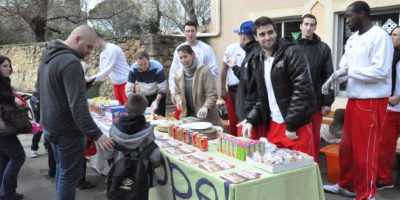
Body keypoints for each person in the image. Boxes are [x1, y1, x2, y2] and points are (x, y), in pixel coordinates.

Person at [322, 2, 394, 200]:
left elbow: (381, 71)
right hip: (353, 100)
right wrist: (335, 78)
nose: (346, 20)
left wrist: (348, 72)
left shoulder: (380, 36)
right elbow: (344, 66)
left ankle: (367, 192)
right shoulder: (352, 39)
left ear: (362, 14)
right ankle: (347, 184)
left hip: (372, 101)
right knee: (347, 148)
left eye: (349, 16)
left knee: (366, 149)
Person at [38, 25, 114, 200]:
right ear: (78, 39)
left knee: (61, 171)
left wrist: (80, 85)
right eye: (88, 47)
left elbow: (46, 89)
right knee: (69, 176)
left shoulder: (48, 56)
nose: (89, 52)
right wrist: (97, 134)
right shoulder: (71, 62)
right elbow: (78, 106)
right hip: (67, 130)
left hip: (51, 125)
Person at [240, 16, 316, 158]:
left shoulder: (292, 52)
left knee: (301, 174)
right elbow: (262, 96)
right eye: (262, 34)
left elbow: (303, 90)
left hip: (296, 126)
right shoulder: (259, 60)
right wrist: (251, 119)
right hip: (274, 125)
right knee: (278, 173)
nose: (267, 37)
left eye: (270, 32)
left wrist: (291, 125)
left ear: (276, 32)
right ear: (255, 37)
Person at [105, 94, 161, 200]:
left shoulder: (114, 129)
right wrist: (155, 164)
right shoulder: (148, 132)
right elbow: (155, 158)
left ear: (125, 108)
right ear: (144, 112)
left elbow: (108, 154)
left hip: (118, 173)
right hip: (141, 177)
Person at [296, 14, 334, 163]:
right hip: (296, 102)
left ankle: (314, 170)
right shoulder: (291, 46)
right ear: (300, 26)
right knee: (297, 138)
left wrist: (327, 101)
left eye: (312, 25)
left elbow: (328, 75)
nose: (308, 28)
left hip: (316, 102)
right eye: (306, 24)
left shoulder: (322, 48)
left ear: (315, 27)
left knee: (314, 139)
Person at [169, 21, 219, 119]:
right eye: (187, 31)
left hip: (202, 93)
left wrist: (202, 82)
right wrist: (173, 92)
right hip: (185, 90)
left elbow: (214, 70)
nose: (190, 34)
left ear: (196, 32)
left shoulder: (206, 48)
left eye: (192, 31)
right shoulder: (178, 49)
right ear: (184, 32)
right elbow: (174, 71)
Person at [376, 26, 400, 190]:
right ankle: (385, 180)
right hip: (391, 110)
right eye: (392, 34)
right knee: (385, 147)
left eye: (396, 35)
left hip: (396, 103)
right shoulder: (391, 56)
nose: (393, 37)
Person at [174, 45, 221, 125]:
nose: (183, 60)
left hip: (206, 118)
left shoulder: (204, 71)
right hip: (187, 119)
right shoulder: (178, 75)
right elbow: (177, 92)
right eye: (181, 58)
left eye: (185, 56)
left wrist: (205, 107)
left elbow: (212, 94)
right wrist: (179, 100)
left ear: (193, 54)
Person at [220, 21, 253, 136]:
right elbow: (224, 69)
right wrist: (222, 88)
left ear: (243, 36)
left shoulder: (253, 51)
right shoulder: (231, 48)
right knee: (233, 121)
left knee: (244, 120)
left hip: (246, 90)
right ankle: (233, 143)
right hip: (232, 89)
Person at [0, 56, 25, 200]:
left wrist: (14, 95)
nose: (9, 68)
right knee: (18, 156)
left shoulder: (4, 82)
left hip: (4, 128)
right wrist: (11, 98)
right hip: (3, 130)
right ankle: (7, 193)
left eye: (9, 65)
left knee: (4, 159)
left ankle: (4, 192)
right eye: (4, 66)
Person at [86, 33, 130, 105]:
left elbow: (106, 70)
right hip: (116, 83)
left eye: (93, 43)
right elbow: (103, 71)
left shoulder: (112, 49)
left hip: (126, 82)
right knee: (119, 110)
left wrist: (91, 78)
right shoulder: (102, 53)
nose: (93, 46)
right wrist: (91, 78)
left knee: (129, 109)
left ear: (97, 39)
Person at [125, 51, 167, 116]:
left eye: (145, 64)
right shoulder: (133, 68)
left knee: (159, 117)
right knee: (143, 118)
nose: (143, 67)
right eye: (140, 65)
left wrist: (156, 100)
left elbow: (162, 88)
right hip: (143, 96)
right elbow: (129, 88)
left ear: (148, 59)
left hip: (157, 95)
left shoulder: (158, 67)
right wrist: (133, 101)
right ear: (136, 61)